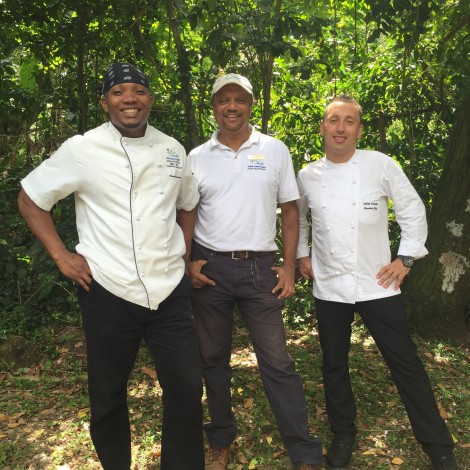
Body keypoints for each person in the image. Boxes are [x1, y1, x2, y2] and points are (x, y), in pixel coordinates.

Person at [18, 62, 204, 470]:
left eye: (137, 91)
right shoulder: (82, 149)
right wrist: (61, 256)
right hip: (108, 290)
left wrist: (184, 255)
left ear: (150, 99)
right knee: (107, 394)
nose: (130, 100)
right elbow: (31, 199)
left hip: (170, 291)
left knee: (188, 388)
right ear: (105, 103)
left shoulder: (173, 149)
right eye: (119, 92)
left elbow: (187, 204)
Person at [296, 94, 459, 470]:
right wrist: (303, 254)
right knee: (334, 364)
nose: (340, 128)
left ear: (359, 128)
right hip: (331, 286)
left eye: (348, 121)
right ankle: (343, 435)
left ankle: (438, 445)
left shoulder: (380, 165)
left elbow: (412, 209)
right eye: (333, 120)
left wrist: (405, 258)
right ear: (322, 127)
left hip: (377, 284)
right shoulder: (308, 175)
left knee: (405, 362)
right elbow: (299, 218)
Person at [188, 73, 323, 470]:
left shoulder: (274, 149)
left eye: (240, 99)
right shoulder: (197, 156)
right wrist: (188, 260)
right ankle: (221, 438)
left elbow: (292, 209)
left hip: (261, 270)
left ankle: (302, 449)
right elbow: (188, 213)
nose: (232, 106)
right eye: (223, 100)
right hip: (210, 270)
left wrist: (288, 263)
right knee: (212, 358)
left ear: (250, 105)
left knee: (277, 362)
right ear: (213, 107)